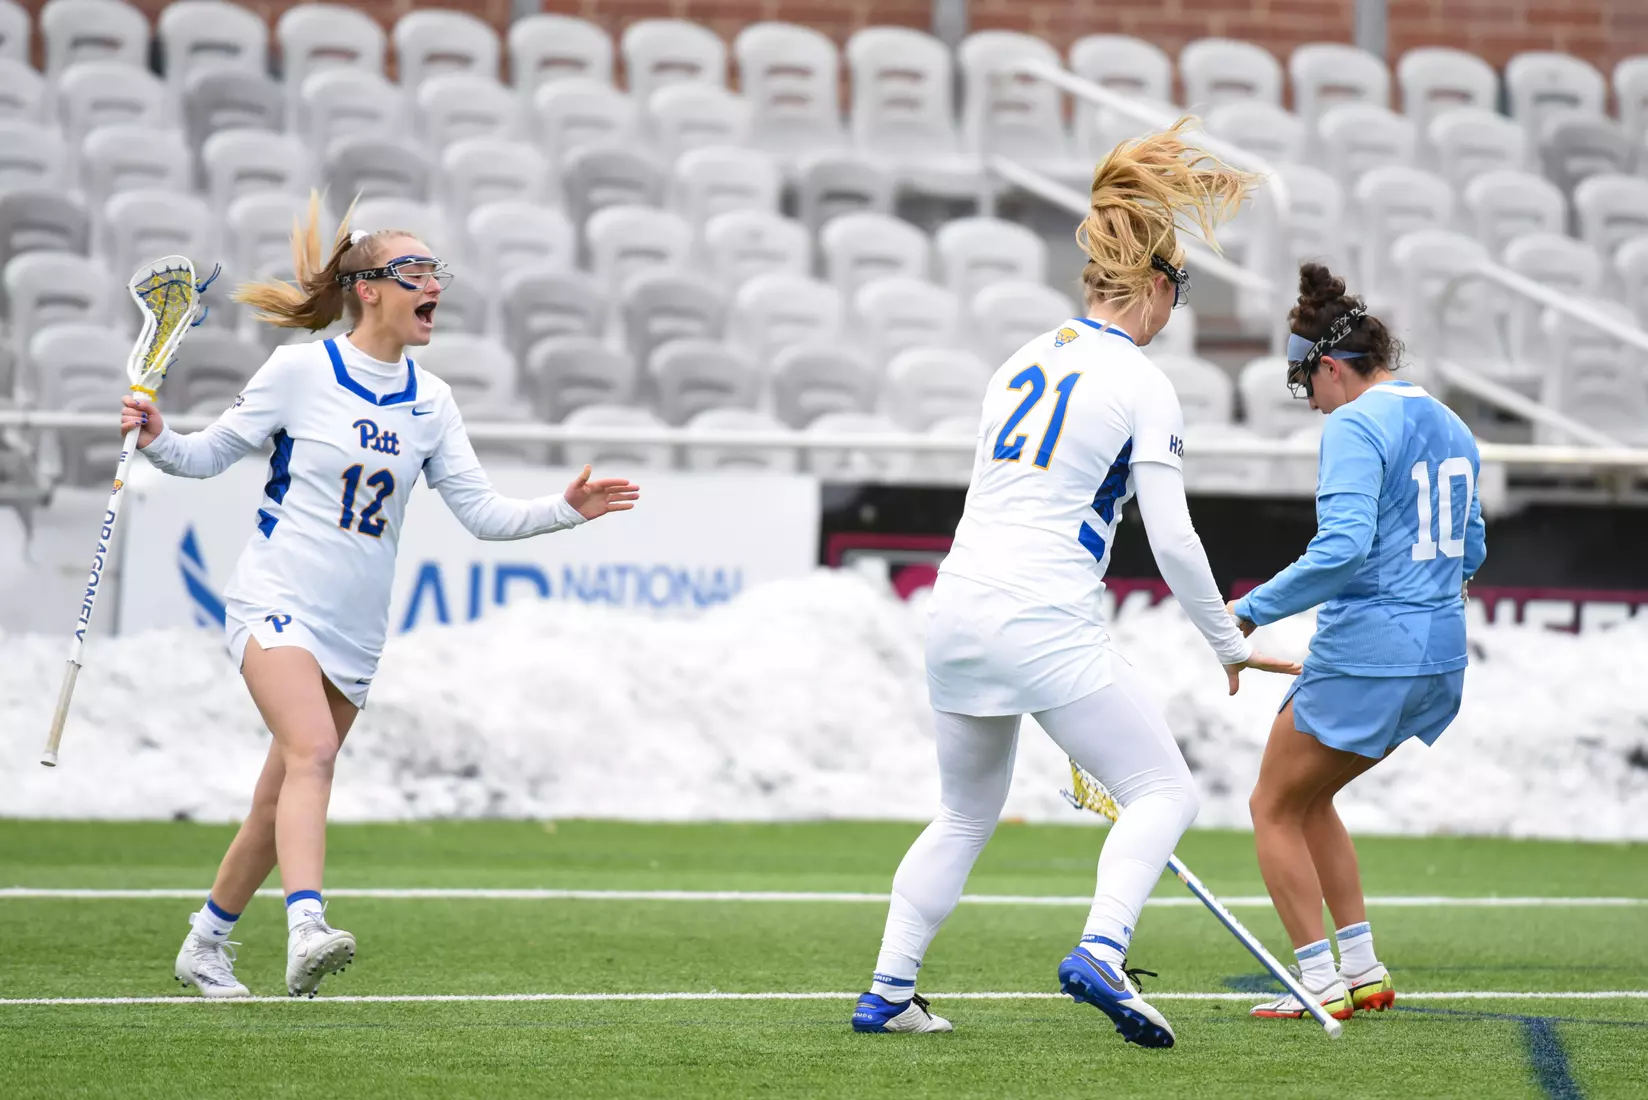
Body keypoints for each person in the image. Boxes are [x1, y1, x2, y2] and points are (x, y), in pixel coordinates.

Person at [851, 121, 1301, 1048]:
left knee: (963, 812)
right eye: (1182, 290)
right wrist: (1229, 644)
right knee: (1164, 793)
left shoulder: (1018, 361)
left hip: (957, 606)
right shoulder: (1142, 381)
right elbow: (1173, 538)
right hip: (1041, 614)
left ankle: (889, 990)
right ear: (1157, 283)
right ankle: (1102, 949)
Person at [127, 194, 640, 999]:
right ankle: (306, 927)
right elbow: (206, 456)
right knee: (315, 754)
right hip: (275, 598)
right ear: (367, 289)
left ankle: (205, 943)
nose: (433, 284)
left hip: (356, 627)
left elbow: (482, 514)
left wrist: (565, 510)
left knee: (278, 797)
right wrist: (159, 440)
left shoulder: (432, 402)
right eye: (414, 270)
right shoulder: (299, 371)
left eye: (437, 271)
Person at [1230, 263, 1485, 1023]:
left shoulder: (1353, 424)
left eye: (1305, 383)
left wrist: (1250, 611)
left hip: (1371, 650)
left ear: (1332, 366)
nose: (1311, 402)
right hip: (1440, 657)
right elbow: (1471, 546)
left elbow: (1341, 549)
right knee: (1312, 799)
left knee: (1272, 805)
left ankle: (1318, 979)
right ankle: (1363, 969)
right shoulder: (1451, 421)